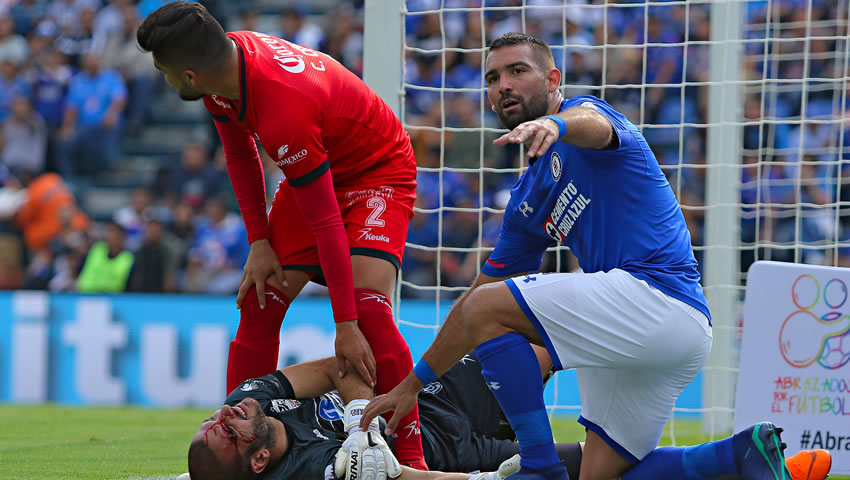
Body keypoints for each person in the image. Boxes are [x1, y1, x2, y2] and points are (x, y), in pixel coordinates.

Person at [358, 32, 780, 480]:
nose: (504, 84)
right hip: (652, 338)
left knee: (489, 309)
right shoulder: (528, 197)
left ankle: (540, 467)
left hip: (659, 299)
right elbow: (474, 302)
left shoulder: (586, 116)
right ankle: (741, 455)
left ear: (553, 79)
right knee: (600, 473)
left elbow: (592, 124)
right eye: (493, 77)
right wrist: (411, 386)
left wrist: (557, 125)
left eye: (518, 71)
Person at [136, 2, 426, 469]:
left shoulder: (280, 108)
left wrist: (344, 326)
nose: (164, 81)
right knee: (260, 298)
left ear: (188, 75)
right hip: (315, 169)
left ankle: (412, 455)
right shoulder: (224, 70)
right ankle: (245, 444)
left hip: (376, 172)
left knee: (368, 311)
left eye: (165, 72)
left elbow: (328, 222)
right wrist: (259, 241)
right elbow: (240, 155)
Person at [186, 348, 831, 480]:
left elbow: (334, 367)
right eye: (225, 432)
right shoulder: (306, 474)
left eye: (215, 419)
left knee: (521, 347)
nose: (225, 414)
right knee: (587, 471)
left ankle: (628, 337)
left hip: (426, 407)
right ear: (259, 459)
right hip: (442, 456)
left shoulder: (257, 396)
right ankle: (739, 457)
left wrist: (373, 398)